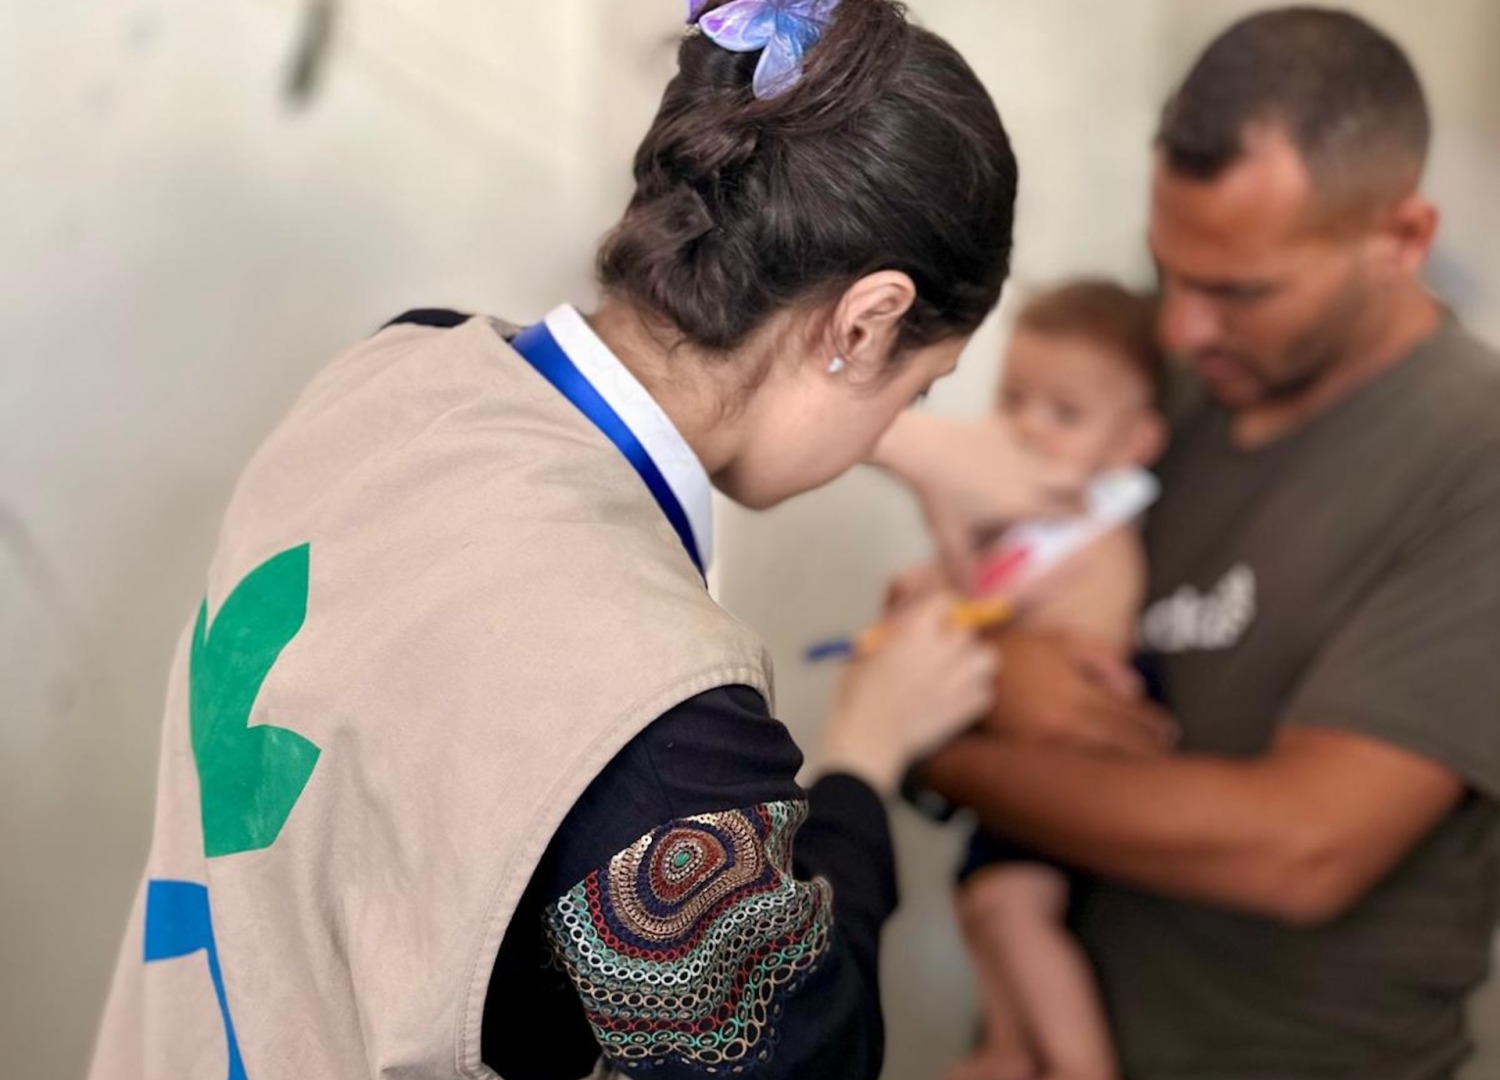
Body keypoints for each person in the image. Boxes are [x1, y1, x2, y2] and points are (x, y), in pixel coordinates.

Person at [86, 2, 1080, 1079]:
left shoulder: (386, 377)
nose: (901, 429)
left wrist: (890, 436)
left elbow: (599, 421)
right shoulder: (651, 707)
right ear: (864, 320)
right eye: (918, 393)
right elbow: (796, 1056)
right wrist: (863, 765)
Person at [914, 9, 1500, 1080]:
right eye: (1167, 269)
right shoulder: (1153, 385)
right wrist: (1005, 661)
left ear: (1402, 240)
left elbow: (1301, 848)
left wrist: (950, 746)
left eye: (1240, 289)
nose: (1181, 329)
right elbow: (964, 590)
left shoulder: (1476, 456)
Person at [939, 282, 1168, 1080]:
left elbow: (991, 599)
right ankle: (1009, 1045)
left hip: (1074, 752)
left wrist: (937, 596)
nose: (1029, 426)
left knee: (1010, 906)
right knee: (986, 903)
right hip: (1027, 748)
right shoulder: (1040, 520)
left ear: (1133, 442)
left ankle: (1075, 1063)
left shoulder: (1090, 530)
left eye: (1064, 414)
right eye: (1013, 399)